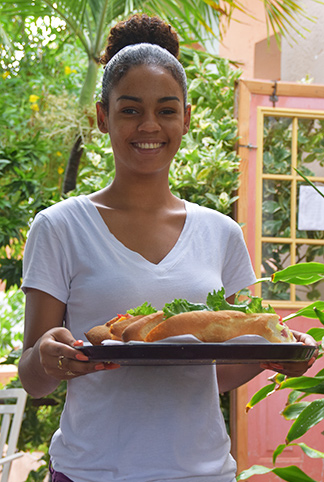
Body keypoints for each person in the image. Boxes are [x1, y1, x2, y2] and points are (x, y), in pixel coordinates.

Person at [18, 13, 317, 482]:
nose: (149, 125)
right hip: (91, 471)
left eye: (166, 109)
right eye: (131, 109)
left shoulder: (221, 233)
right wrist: (47, 358)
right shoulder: (59, 227)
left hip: (203, 472)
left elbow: (212, 373)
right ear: (103, 117)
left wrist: (271, 357)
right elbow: (34, 380)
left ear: (186, 117)